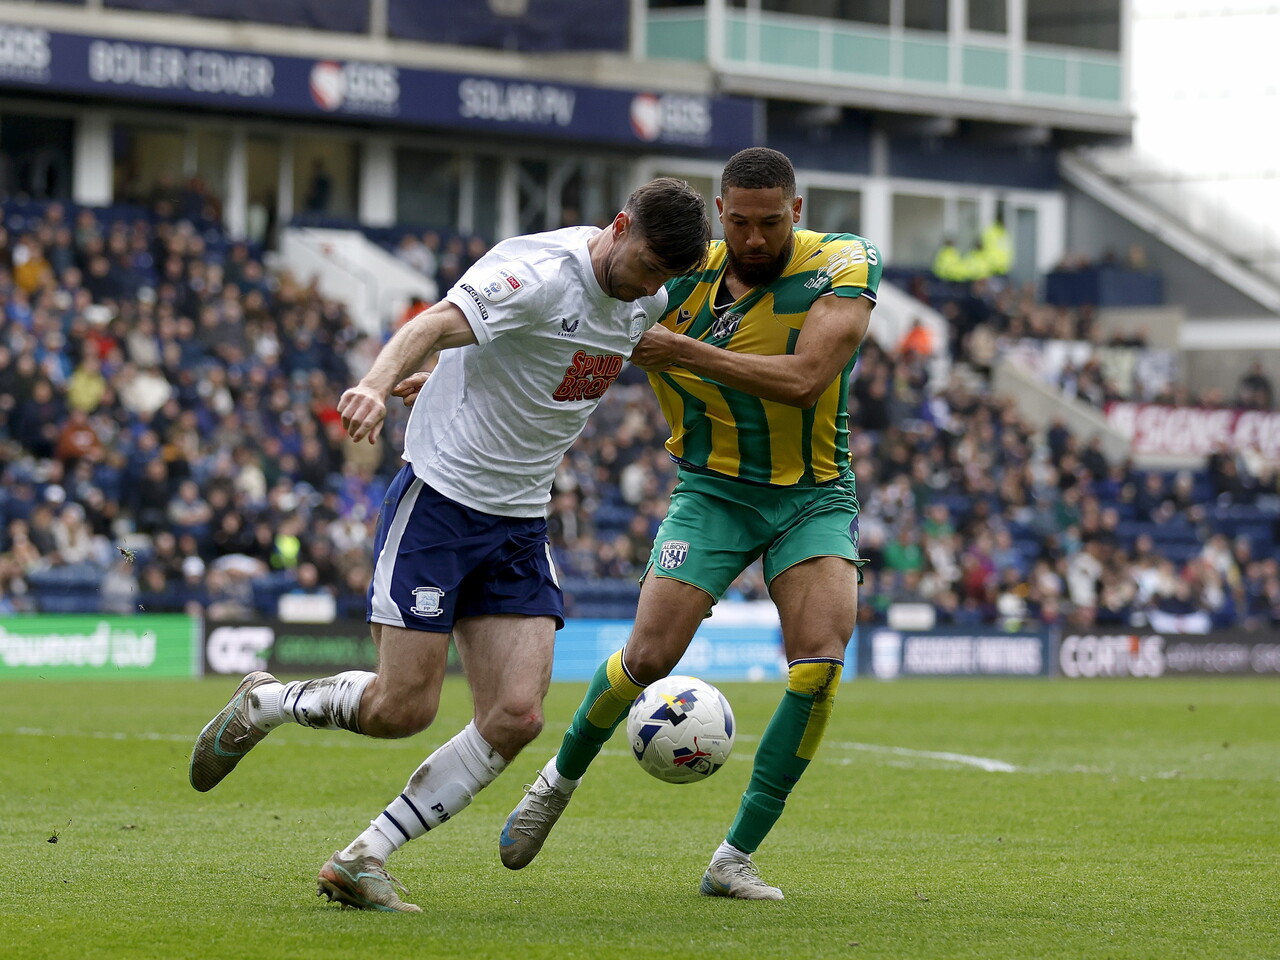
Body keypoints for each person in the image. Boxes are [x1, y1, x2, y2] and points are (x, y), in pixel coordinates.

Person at [187, 177, 711, 912]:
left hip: (521, 521)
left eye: (665, 277)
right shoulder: (534, 274)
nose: (650, 285)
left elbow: (550, 358)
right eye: (648, 264)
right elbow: (431, 323)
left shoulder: (645, 298)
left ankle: (363, 856)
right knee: (402, 708)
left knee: (517, 717)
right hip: (441, 503)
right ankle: (268, 703)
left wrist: (456, 372)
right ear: (620, 226)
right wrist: (377, 383)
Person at [499, 147, 880, 900]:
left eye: (770, 223)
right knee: (647, 655)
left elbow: (806, 381)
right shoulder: (676, 276)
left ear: (795, 214)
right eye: (738, 223)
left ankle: (734, 857)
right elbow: (575, 332)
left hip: (813, 493)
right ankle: (556, 780)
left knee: (819, 664)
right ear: (719, 214)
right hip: (711, 491)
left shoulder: (844, 264)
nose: (754, 240)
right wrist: (458, 372)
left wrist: (680, 349)